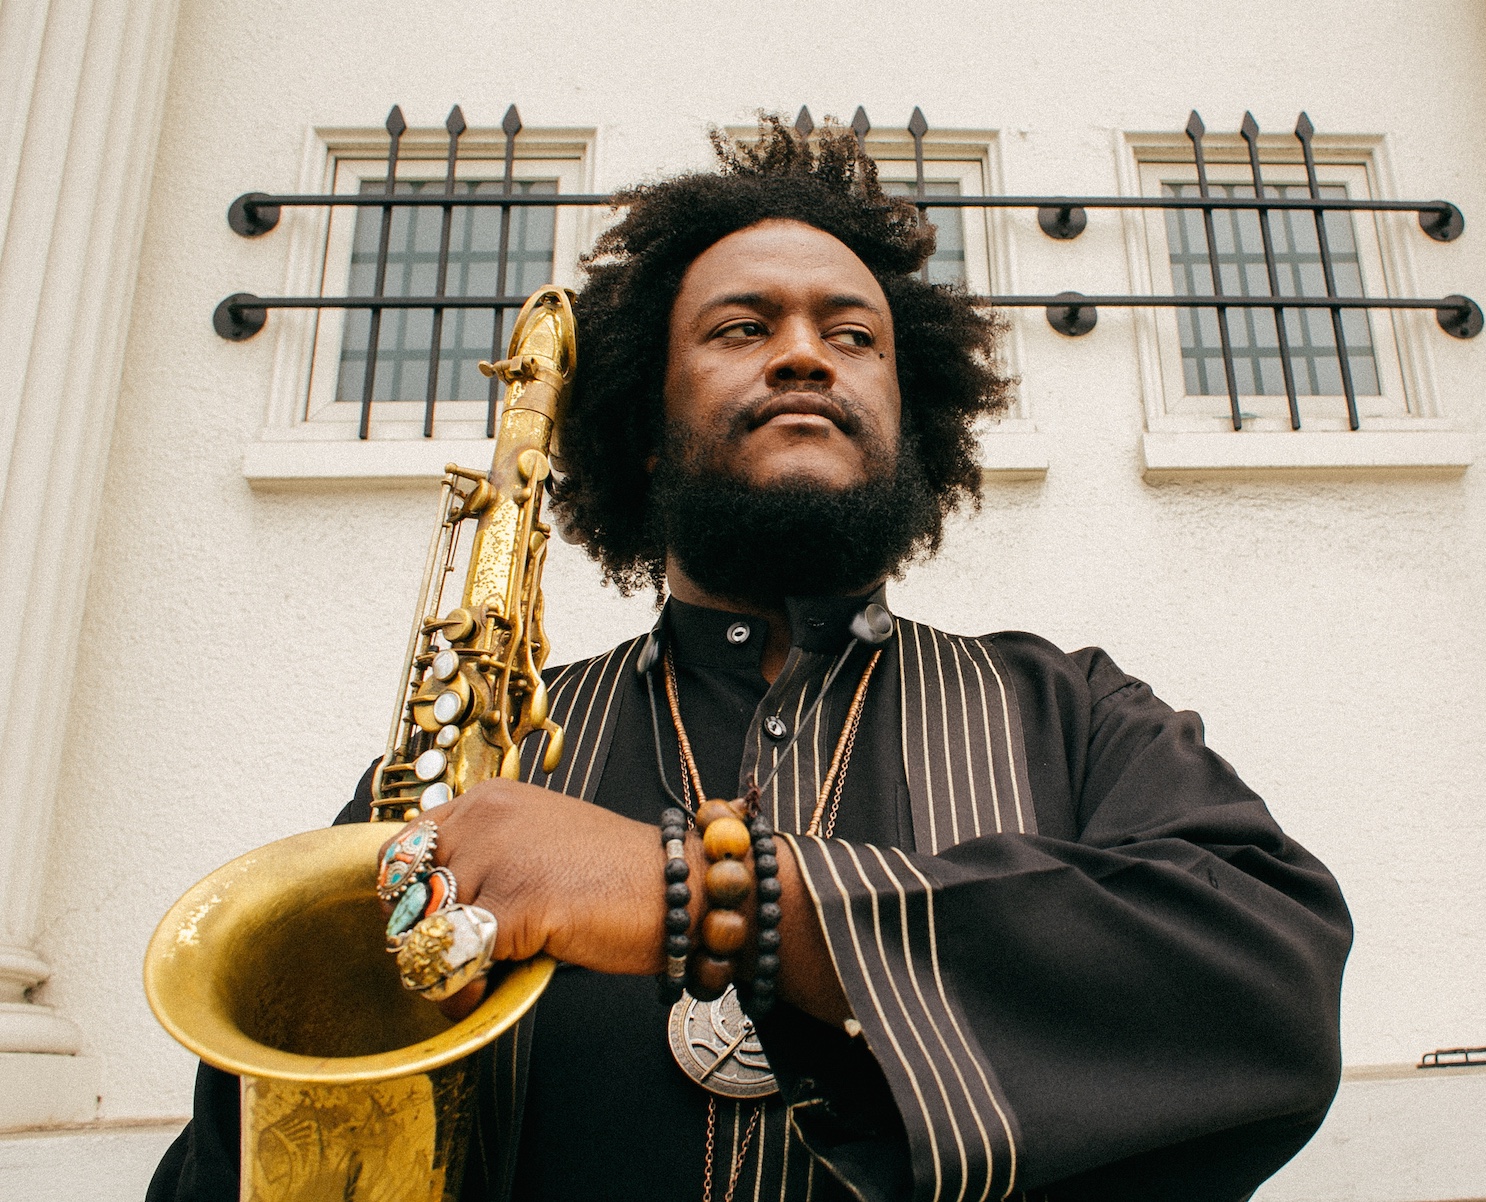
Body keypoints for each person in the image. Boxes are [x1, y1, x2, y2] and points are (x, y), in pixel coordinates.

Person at [150, 116, 1352, 1202]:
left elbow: (1270, 977)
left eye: (853, 335)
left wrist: (702, 893)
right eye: (742, 327)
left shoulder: (1069, 708)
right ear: (645, 425)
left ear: (910, 419)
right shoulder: (477, 771)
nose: (805, 355)